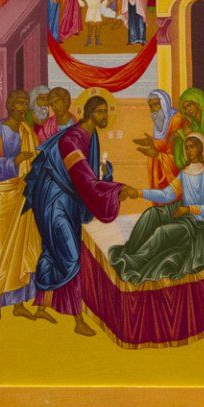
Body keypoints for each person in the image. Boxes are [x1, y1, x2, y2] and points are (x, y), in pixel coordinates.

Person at [24, 92, 137, 335]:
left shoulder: (90, 135)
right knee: (71, 256)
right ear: (88, 113)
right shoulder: (71, 140)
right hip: (53, 200)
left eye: (106, 111)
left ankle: (43, 305)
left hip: (69, 200)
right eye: (100, 111)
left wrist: (105, 178)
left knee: (55, 250)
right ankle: (77, 320)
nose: (104, 115)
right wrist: (114, 190)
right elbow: (84, 180)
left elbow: (87, 176)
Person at [107, 132, 204, 284]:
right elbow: (166, 195)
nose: (188, 151)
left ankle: (133, 263)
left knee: (162, 232)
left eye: (192, 147)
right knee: (152, 213)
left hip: (200, 227)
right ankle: (130, 253)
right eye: (186, 148)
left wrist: (190, 210)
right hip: (185, 216)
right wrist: (137, 192)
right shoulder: (186, 172)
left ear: (201, 148)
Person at [0, 89, 53, 327]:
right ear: (10, 106)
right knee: (1, 252)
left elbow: (34, 161)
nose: (23, 108)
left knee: (22, 250)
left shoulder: (26, 131)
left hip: (22, 195)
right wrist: (15, 161)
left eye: (25, 104)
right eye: (19, 104)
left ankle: (20, 305)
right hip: (1, 198)